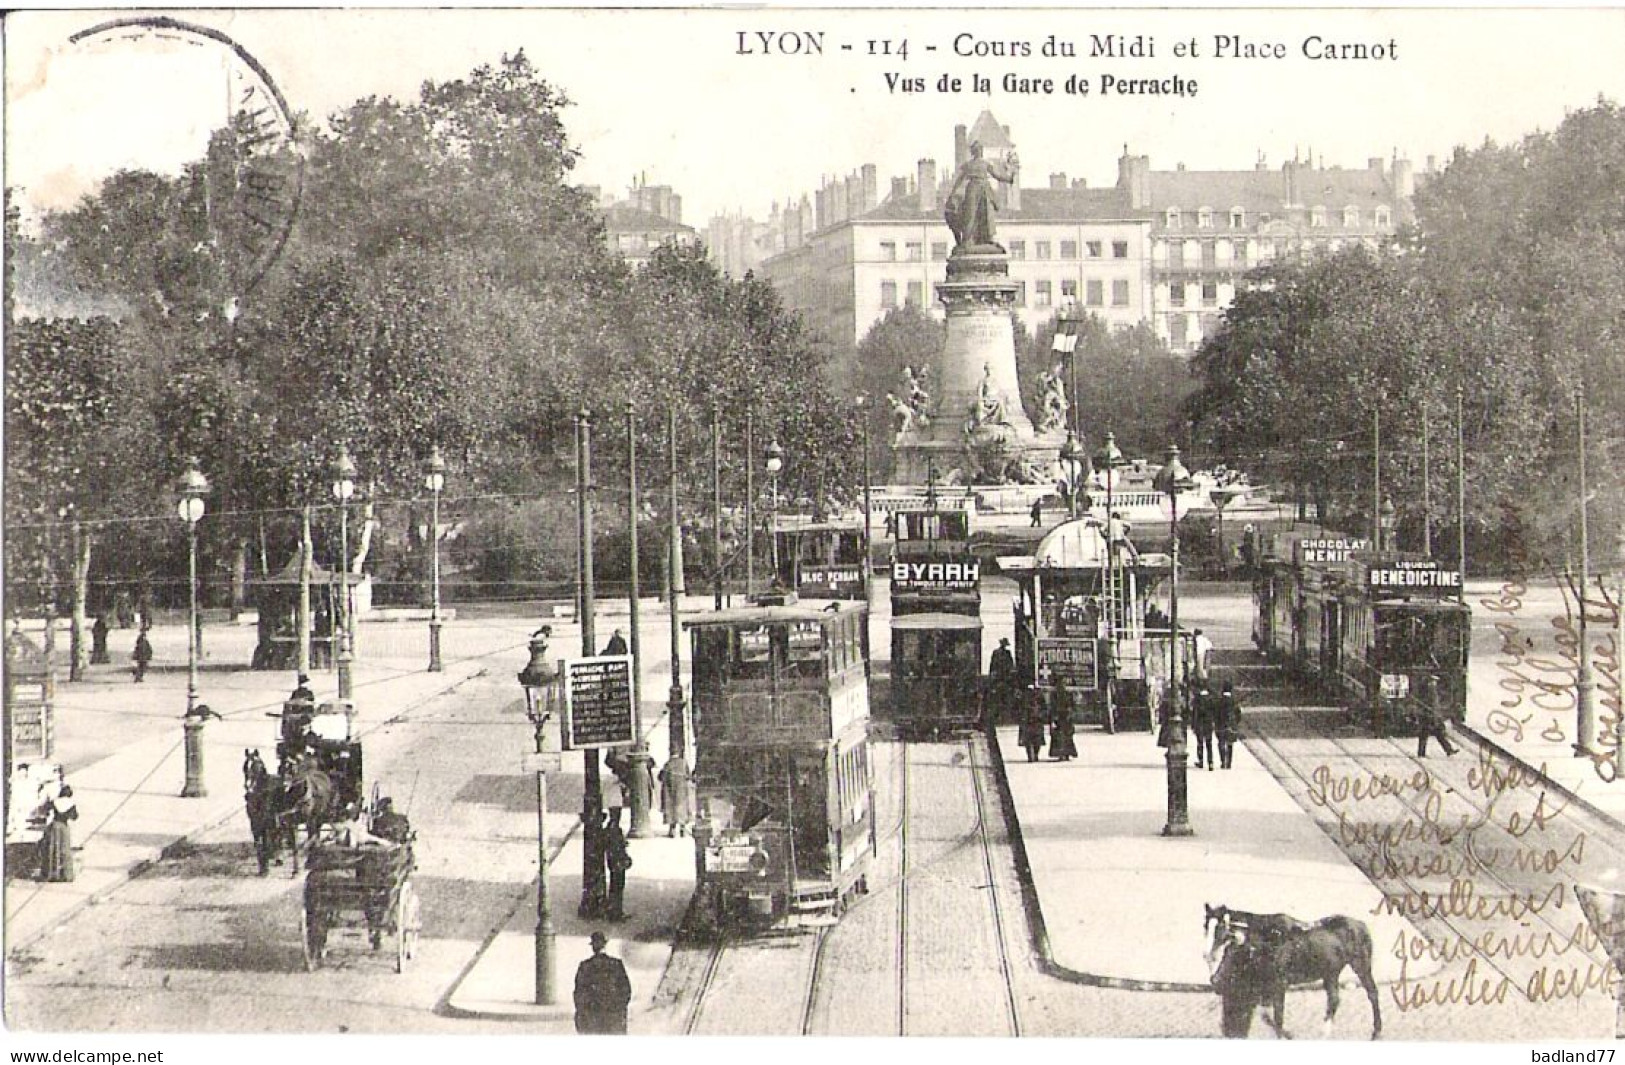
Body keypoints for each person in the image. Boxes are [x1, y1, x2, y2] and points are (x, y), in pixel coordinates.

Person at [942, 141, 1018, 250]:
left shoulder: (985, 164)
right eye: (977, 150)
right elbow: (959, 179)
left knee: (986, 213)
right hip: (973, 188)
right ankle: (967, 239)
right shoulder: (968, 165)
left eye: (980, 149)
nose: (979, 152)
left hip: (984, 189)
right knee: (970, 213)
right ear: (974, 152)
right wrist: (952, 192)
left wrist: (1008, 179)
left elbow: (997, 175)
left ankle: (987, 237)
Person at [574, 931, 632, 1034]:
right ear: (605, 945)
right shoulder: (616, 964)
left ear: (592, 947)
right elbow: (626, 991)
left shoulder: (585, 966)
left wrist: (583, 1012)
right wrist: (618, 1009)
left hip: (592, 1018)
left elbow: (579, 994)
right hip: (613, 1018)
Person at [38, 783, 78, 882]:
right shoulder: (71, 804)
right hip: (64, 827)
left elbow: (44, 809)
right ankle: (66, 875)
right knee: (65, 850)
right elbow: (75, 817)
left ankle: (51, 874)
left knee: (52, 849)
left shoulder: (55, 801)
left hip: (54, 826)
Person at [1416, 677, 1458, 758]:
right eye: (1433, 682)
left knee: (1436, 734)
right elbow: (1432, 705)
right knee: (1429, 734)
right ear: (1430, 683)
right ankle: (1421, 753)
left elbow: (1435, 706)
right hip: (1430, 717)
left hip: (1432, 716)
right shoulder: (1431, 692)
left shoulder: (1432, 692)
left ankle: (1448, 750)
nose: (1434, 683)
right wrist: (1436, 716)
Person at [602, 810, 631, 921]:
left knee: (616, 887)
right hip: (617, 861)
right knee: (617, 887)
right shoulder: (615, 830)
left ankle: (615, 911)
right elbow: (617, 845)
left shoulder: (609, 829)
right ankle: (615, 912)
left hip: (613, 861)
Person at [659, 756, 694, 837]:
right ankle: (682, 829)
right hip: (681, 790)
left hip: (669, 791)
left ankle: (672, 829)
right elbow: (688, 776)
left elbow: (661, 777)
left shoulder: (668, 764)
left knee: (670, 808)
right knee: (682, 808)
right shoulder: (684, 763)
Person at [988, 638, 1017, 724]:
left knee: (1005, 699)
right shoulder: (997, 653)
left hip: (1005, 679)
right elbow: (993, 665)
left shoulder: (1007, 653)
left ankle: (1004, 717)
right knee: (999, 699)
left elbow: (1011, 666)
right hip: (1000, 679)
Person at [1216, 679, 1242, 770]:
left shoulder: (1219, 700)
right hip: (1231, 724)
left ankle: (1223, 761)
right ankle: (1229, 763)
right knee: (1230, 744)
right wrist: (1236, 722)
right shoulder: (1234, 701)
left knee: (1221, 743)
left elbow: (1216, 713)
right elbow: (1238, 713)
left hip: (1221, 724)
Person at [1191, 683, 1217, 770]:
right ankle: (1210, 762)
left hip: (1199, 723)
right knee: (1209, 743)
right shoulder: (1211, 699)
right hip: (1208, 723)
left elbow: (1194, 713)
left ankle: (1201, 761)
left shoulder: (1197, 699)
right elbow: (1214, 712)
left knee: (1200, 743)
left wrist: (1193, 725)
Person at [1048, 695, 1077, 762]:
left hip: (1065, 719)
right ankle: (1062, 753)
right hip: (1060, 719)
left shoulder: (1067, 696)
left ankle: (1066, 753)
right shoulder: (1055, 697)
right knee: (1060, 736)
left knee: (1065, 736)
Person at [1018, 697, 1047, 763]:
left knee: (1037, 740)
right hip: (1027, 722)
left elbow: (1045, 709)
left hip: (1037, 722)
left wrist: (1041, 715)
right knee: (1028, 740)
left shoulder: (1040, 698)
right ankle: (1030, 756)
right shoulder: (1024, 699)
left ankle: (1035, 755)